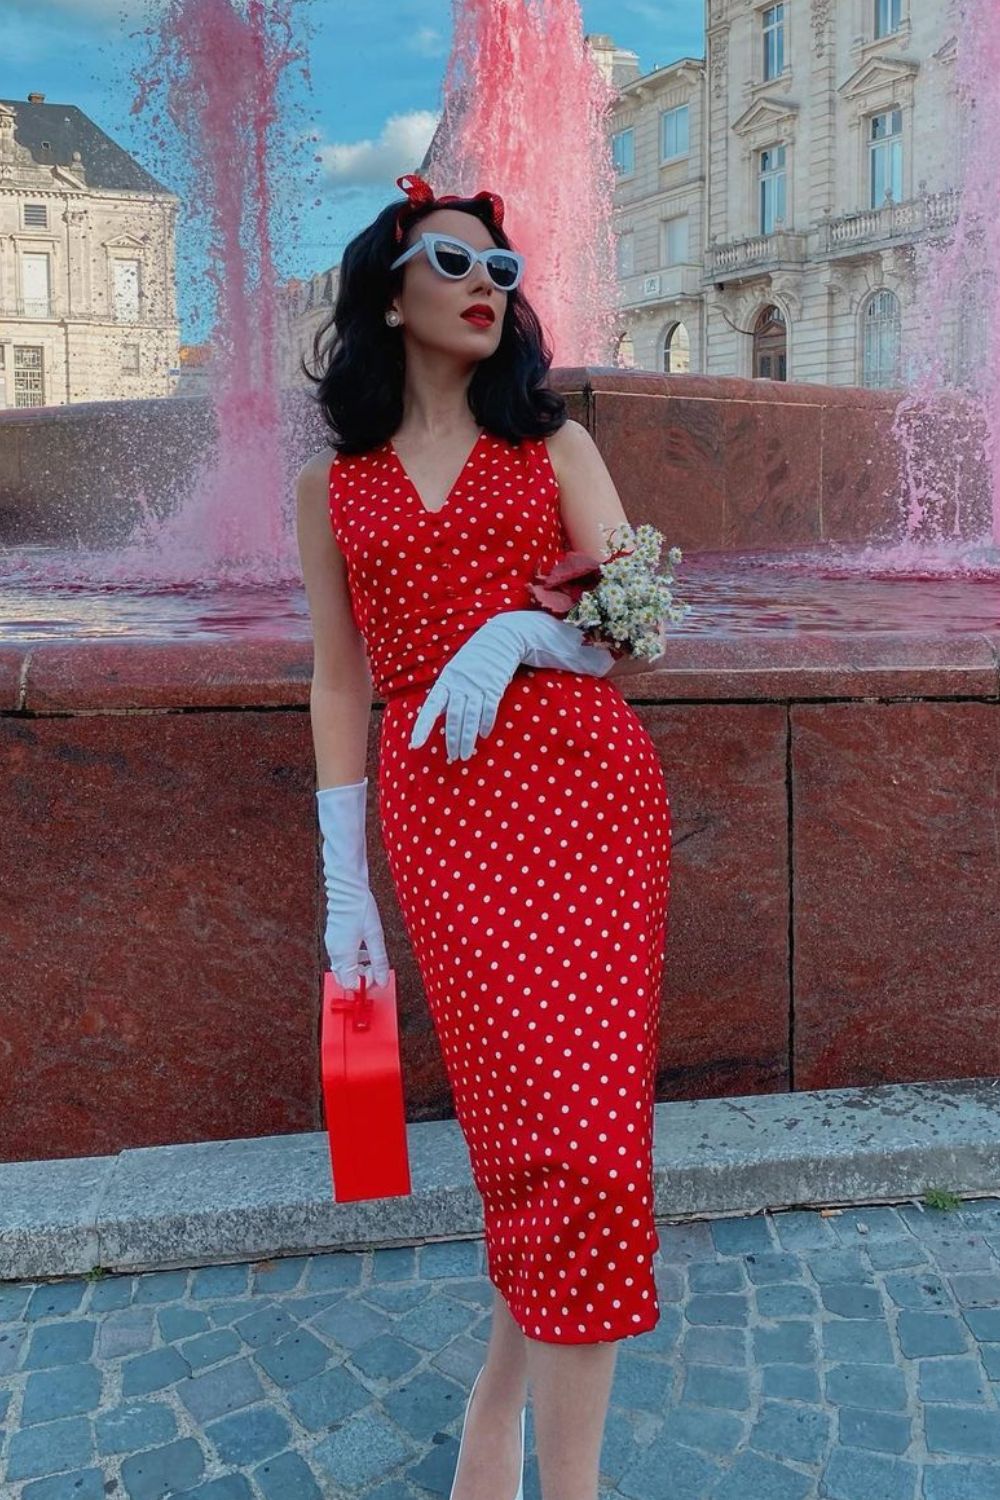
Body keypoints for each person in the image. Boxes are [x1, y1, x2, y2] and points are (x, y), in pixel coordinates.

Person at [295, 172, 671, 1500]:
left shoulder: (552, 448)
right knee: (534, 1140)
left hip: (587, 796)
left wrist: (522, 632)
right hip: (443, 818)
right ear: (389, 295)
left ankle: (551, 1477)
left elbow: (639, 625)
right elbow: (341, 683)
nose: (483, 288)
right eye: (456, 263)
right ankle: (489, 1412)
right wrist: (346, 887)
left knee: (587, 1143)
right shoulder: (334, 490)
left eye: (503, 273)